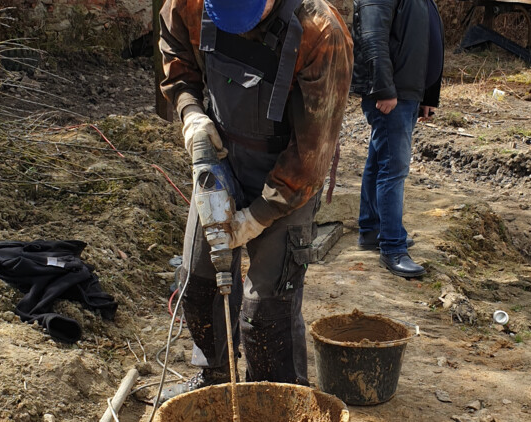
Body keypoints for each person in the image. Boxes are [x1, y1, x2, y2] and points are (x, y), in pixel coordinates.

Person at [157, 0, 353, 402]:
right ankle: (214, 379)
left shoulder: (320, 32)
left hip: (289, 175)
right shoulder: (191, 3)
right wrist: (192, 112)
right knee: (199, 284)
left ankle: (277, 399)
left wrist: (259, 215)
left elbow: (312, 153)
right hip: (222, 159)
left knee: (266, 313)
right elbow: (175, 51)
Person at [351, 0, 444, 278]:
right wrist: (384, 89)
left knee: (380, 158)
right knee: (393, 169)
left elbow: (425, 38)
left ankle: (372, 230)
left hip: (406, 91)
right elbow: (372, 38)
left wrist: (427, 95)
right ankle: (392, 248)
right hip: (391, 93)